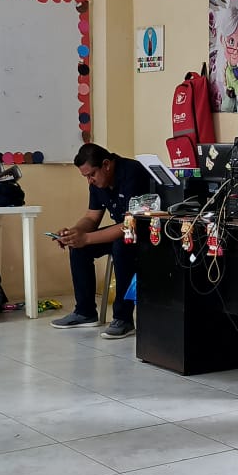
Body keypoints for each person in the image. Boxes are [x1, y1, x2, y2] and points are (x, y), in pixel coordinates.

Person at [51, 143, 152, 338]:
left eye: (91, 175)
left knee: (121, 246)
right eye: (86, 177)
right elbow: (91, 217)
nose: (89, 181)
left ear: (106, 165)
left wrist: (86, 238)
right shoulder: (97, 183)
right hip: (124, 231)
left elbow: (131, 223)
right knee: (78, 247)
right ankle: (85, 312)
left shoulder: (132, 173)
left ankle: (123, 318)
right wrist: (74, 233)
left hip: (147, 233)